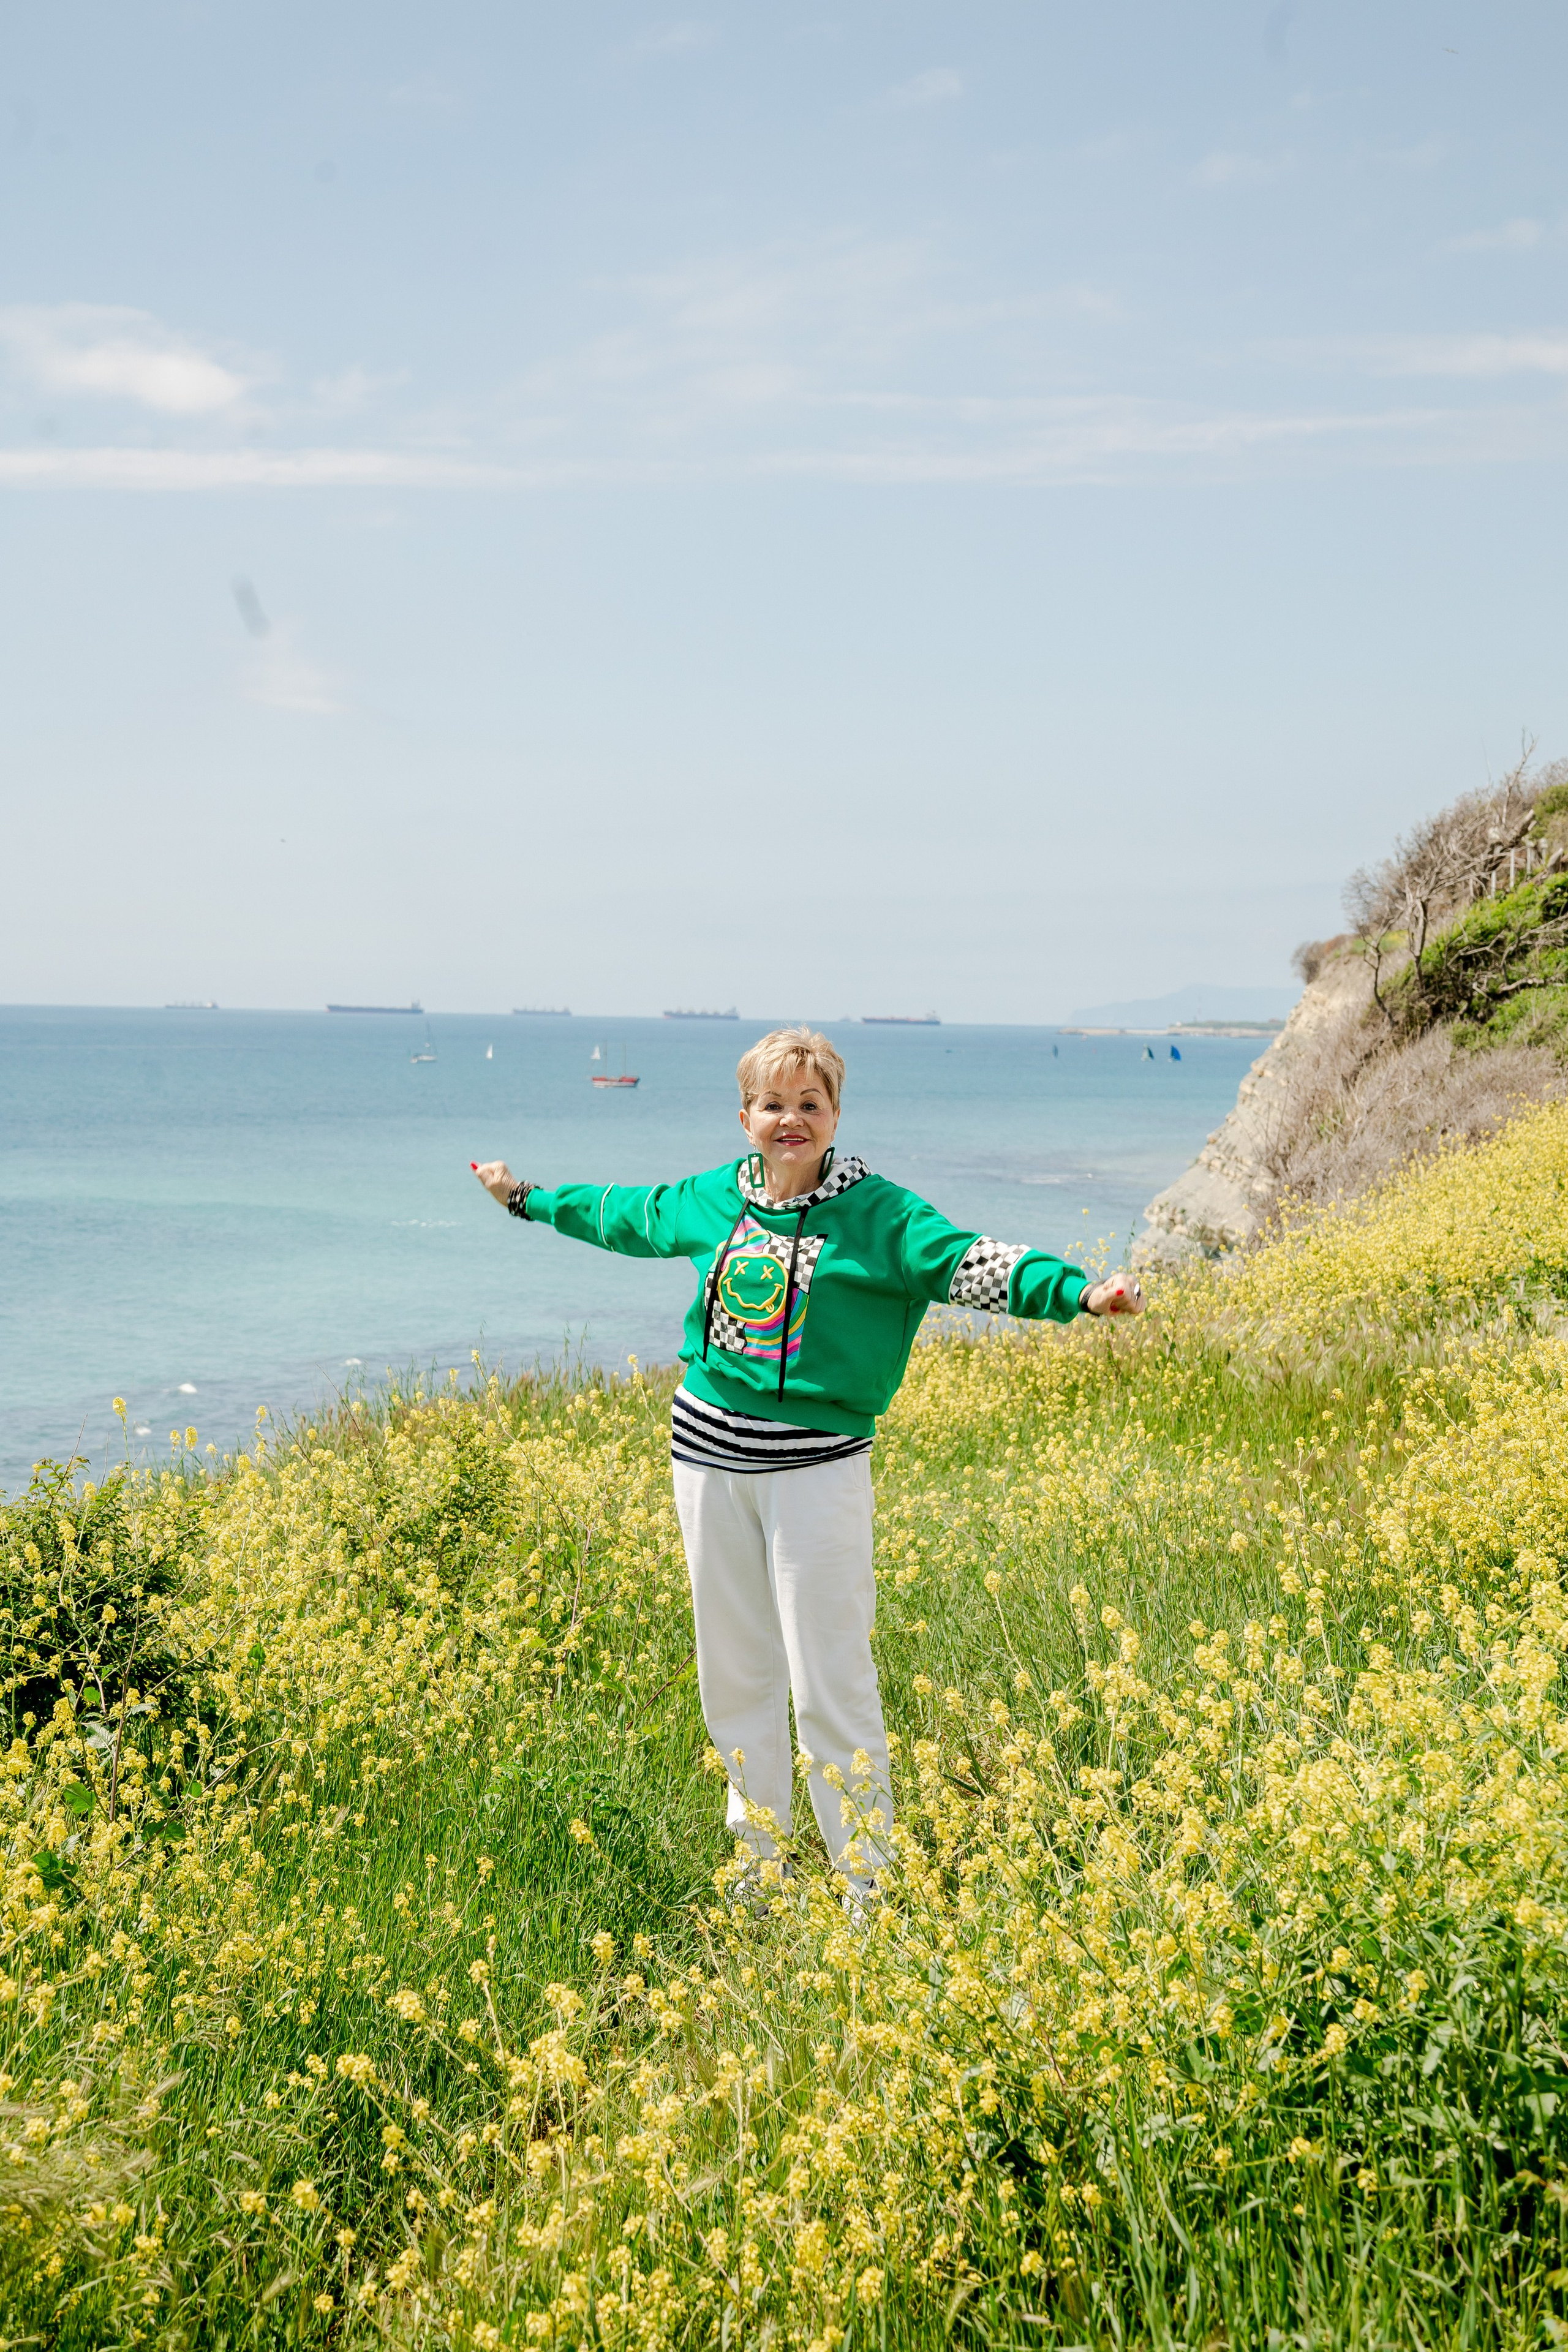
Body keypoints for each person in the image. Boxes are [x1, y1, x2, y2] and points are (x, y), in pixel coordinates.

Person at [475, 1025, 1142, 1902]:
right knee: (735, 1671)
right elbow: (621, 1215)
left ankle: (865, 1882)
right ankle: (760, 1868)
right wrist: (527, 1198)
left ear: (834, 1114)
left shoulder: (883, 1217)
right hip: (706, 1461)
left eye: (809, 1104)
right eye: (772, 1104)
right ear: (745, 1115)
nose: (790, 1120)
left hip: (817, 1475)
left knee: (832, 1680)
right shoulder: (716, 1198)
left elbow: (972, 1264)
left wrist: (1081, 1293)